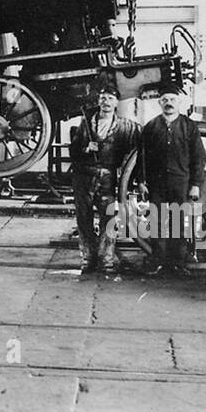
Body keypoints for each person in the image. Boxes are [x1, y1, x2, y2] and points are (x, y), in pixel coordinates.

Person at [137, 84, 206, 277]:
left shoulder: (189, 126)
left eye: (172, 100)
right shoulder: (151, 127)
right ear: (160, 103)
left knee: (178, 221)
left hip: (181, 181)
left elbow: (198, 157)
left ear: (179, 103)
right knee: (157, 221)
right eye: (165, 100)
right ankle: (158, 261)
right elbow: (141, 157)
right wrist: (141, 181)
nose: (169, 103)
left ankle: (177, 262)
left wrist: (195, 184)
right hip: (156, 182)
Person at [68, 83, 139, 273]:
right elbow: (73, 151)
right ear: (98, 101)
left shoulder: (125, 126)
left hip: (107, 178)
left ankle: (106, 260)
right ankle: (87, 259)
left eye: (110, 98)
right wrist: (85, 149)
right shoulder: (86, 123)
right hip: (84, 176)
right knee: (84, 219)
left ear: (116, 103)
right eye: (103, 98)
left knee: (108, 219)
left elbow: (134, 152)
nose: (106, 102)